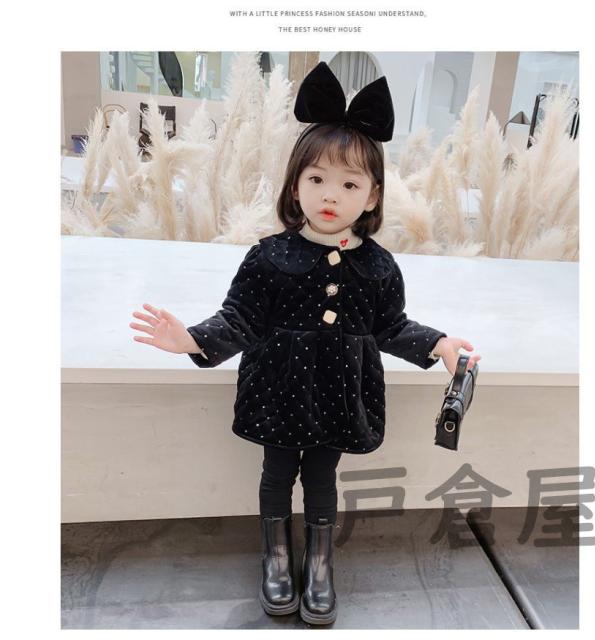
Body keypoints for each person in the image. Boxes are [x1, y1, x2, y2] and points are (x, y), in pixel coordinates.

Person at [129, 62, 481, 626]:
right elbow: (240, 318)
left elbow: (390, 327)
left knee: (322, 478)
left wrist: (439, 344)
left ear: (373, 196)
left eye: (349, 184)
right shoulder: (269, 256)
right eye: (316, 179)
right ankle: (275, 556)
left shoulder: (379, 266)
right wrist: (190, 339)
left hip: (340, 393)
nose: (330, 195)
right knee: (276, 474)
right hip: (278, 390)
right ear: (296, 185)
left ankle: (319, 563)